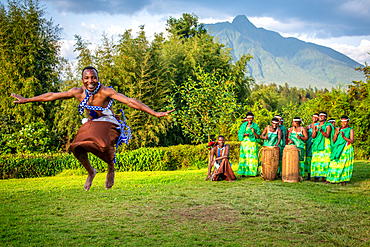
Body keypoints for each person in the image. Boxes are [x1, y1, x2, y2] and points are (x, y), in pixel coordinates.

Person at [11, 66, 174, 191]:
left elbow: (130, 101)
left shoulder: (106, 91)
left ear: (98, 78)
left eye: (93, 78)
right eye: (86, 78)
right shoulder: (77, 92)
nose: (90, 81)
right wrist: (27, 100)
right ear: (82, 79)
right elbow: (52, 95)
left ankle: (111, 166)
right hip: (91, 123)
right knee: (76, 147)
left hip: (108, 122)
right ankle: (91, 171)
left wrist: (155, 113)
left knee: (102, 145)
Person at [327, 116, 354, 185]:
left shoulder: (350, 130)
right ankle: (331, 179)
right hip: (337, 148)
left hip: (346, 149)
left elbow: (352, 141)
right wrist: (336, 133)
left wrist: (344, 137)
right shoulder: (338, 129)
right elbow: (334, 140)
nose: (343, 123)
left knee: (344, 164)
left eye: (345, 122)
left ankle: (343, 180)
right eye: (342, 122)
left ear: (347, 122)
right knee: (334, 163)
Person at [311, 111, 333, 182]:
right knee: (316, 160)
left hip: (325, 144)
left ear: (325, 118)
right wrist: (315, 131)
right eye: (319, 116)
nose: (320, 117)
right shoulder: (316, 125)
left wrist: (322, 131)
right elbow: (313, 136)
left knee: (325, 160)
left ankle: (324, 177)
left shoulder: (328, 125)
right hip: (317, 144)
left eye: (322, 116)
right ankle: (316, 177)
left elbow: (328, 135)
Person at [237, 112, 261, 177]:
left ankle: (253, 173)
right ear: (246, 118)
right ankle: (243, 173)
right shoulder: (243, 125)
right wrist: (244, 134)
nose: (250, 119)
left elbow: (258, 137)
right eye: (248, 118)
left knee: (252, 158)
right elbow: (240, 133)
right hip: (244, 144)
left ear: (253, 118)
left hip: (252, 143)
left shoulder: (255, 126)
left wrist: (253, 132)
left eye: (251, 118)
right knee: (244, 157)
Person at [305, 113, 319, 180]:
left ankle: (317, 175)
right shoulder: (308, 127)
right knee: (309, 159)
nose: (314, 119)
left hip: (316, 144)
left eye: (316, 117)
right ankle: (309, 175)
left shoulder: (319, 126)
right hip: (309, 144)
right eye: (313, 117)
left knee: (315, 159)